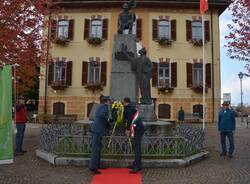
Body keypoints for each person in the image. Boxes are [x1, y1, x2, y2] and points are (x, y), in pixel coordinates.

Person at [89, 96, 111, 174]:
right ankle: (93, 167)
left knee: (97, 149)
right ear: (107, 101)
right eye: (109, 100)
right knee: (96, 149)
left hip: (96, 129)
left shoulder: (100, 106)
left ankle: (97, 165)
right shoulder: (105, 107)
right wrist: (107, 123)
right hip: (98, 130)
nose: (109, 102)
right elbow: (102, 115)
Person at [123, 97, 145, 173]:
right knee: (136, 146)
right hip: (138, 128)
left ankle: (137, 166)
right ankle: (136, 163)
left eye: (123, 103)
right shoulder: (132, 107)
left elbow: (129, 118)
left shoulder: (128, 108)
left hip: (137, 129)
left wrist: (127, 129)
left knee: (137, 147)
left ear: (125, 102)